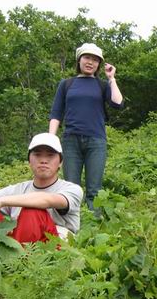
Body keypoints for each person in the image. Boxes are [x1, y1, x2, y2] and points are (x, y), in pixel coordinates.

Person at [0, 133, 83, 243]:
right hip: (19, 240)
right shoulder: (18, 189)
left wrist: (1, 201)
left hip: (55, 246)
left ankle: (21, 259)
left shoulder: (72, 189)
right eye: (37, 155)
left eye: (50, 155)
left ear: (60, 162)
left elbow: (47, 200)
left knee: (32, 210)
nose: (43, 160)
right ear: (29, 160)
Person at [49, 42, 124, 212]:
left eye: (95, 60)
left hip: (96, 141)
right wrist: (51, 140)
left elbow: (118, 104)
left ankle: (94, 223)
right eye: (87, 58)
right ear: (79, 60)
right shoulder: (66, 84)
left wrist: (111, 78)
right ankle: (71, 222)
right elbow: (56, 113)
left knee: (94, 190)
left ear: (99, 64)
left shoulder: (102, 85)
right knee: (70, 189)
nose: (90, 62)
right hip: (70, 141)